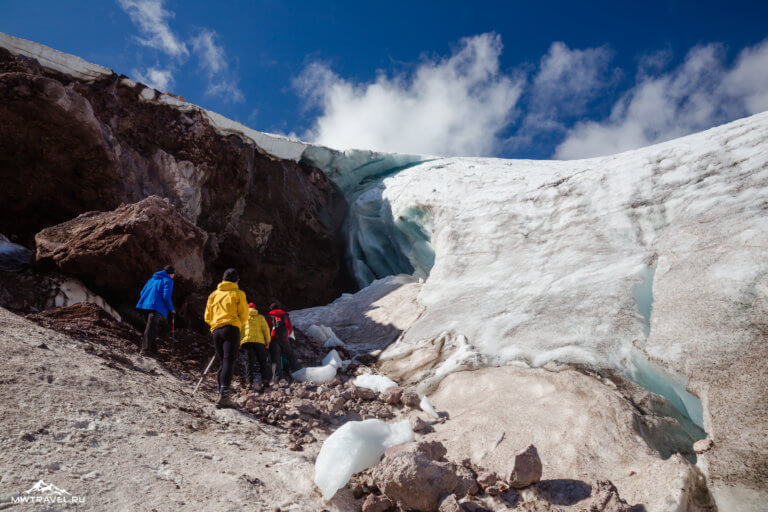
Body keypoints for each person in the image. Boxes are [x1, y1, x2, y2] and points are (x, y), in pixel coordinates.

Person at [204, 268, 248, 408]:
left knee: (223, 361)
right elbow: (244, 314)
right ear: (236, 280)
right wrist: (237, 325)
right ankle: (224, 396)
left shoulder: (214, 295)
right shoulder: (238, 293)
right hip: (231, 328)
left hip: (216, 330)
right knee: (229, 361)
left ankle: (220, 392)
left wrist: (215, 324)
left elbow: (207, 316)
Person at [136, 265, 175, 356]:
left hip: (144, 305)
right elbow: (166, 297)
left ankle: (154, 351)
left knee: (151, 327)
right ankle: (145, 350)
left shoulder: (152, 279)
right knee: (150, 328)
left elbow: (142, 292)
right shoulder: (168, 280)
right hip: (155, 307)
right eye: (173, 274)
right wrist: (171, 309)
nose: (174, 275)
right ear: (170, 274)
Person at [240, 303, 272, 391]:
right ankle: (265, 382)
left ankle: (249, 383)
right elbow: (266, 329)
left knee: (249, 363)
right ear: (255, 308)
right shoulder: (260, 317)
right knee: (262, 362)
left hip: (247, 342)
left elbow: (240, 331)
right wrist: (267, 341)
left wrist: (239, 343)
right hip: (260, 342)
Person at [266, 302, 301, 381]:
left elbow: (267, 329)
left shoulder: (268, 316)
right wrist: (286, 336)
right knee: (290, 355)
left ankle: (278, 378)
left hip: (273, 339)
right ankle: (298, 372)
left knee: (275, 358)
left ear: (271, 309)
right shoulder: (284, 315)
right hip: (285, 339)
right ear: (279, 307)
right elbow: (289, 327)